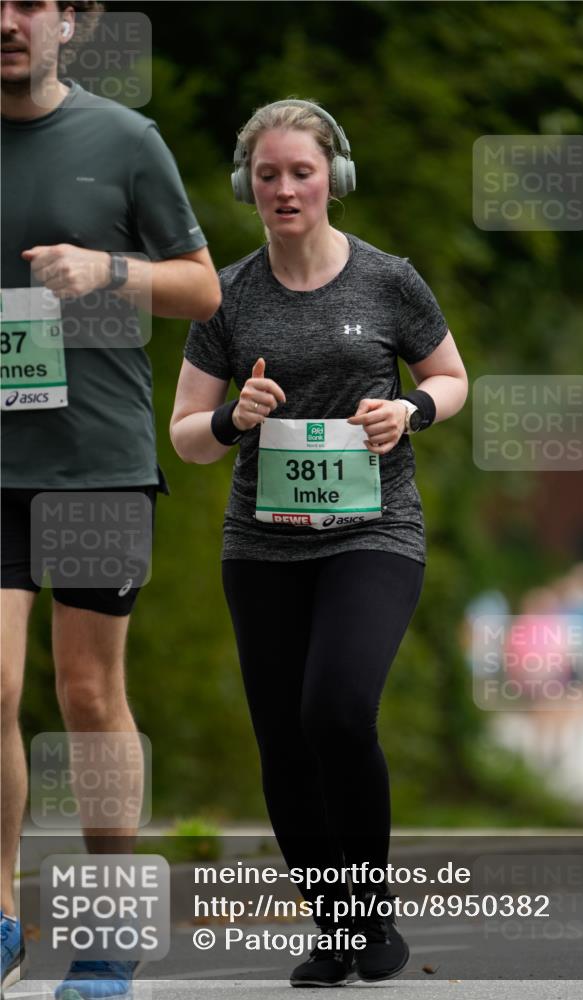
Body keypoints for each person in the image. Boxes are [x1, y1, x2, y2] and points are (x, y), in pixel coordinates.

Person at [170, 98, 468, 987]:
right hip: (261, 545)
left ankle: (370, 911)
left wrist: (409, 409)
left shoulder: (387, 280)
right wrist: (233, 416)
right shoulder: (226, 295)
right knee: (283, 741)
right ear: (246, 186)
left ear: (332, 178)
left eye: (301, 172)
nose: (285, 189)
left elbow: (451, 377)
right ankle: (337, 928)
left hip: (373, 530)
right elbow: (185, 435)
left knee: (335, 710)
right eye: (267, 175)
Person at [0, 2, 220, 997]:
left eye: (30, 4)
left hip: (94, 458)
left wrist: (108, 269)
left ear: (72, 23)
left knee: (87, 693)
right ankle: (4, 917)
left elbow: (203, 289)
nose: (9, 21)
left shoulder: (124, 140)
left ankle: (107, 926)